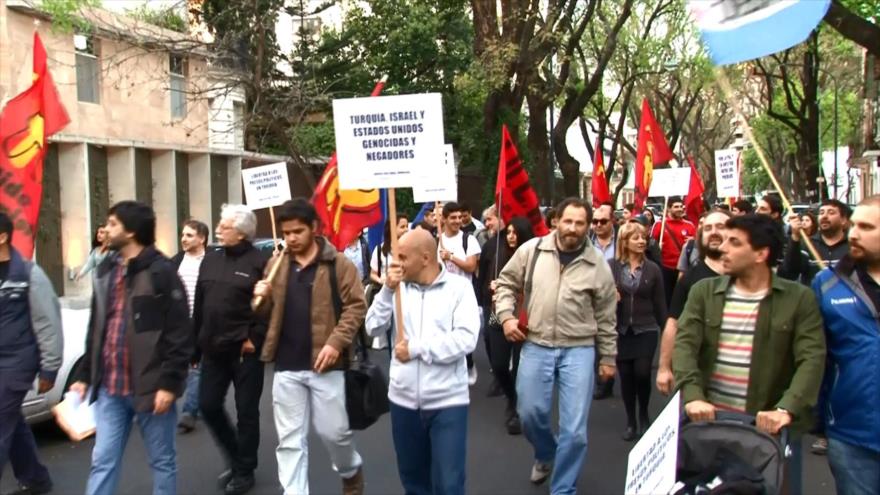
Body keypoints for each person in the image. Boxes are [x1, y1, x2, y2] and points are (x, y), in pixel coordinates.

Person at [673, 214, 826, 494]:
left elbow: (812, 358)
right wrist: (693, 396)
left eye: (734, 242)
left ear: (761, 253)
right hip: (708, 427)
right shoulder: (703, 292)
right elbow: (684, 347)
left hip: (769, 433)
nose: (723, 248)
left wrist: (785, 409)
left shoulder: (798, 298)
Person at [494, 197, 617, 494]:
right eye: (568, 221)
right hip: (536, 343)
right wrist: (506, 318)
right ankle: (547, 453)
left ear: (587, 227)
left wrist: (608, 357)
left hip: (579, 348)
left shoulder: (597, 263)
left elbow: (606, 313)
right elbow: (506, 284)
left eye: (579, 223)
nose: (573, 228)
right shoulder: (531, 250)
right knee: (529, 414)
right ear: (556, 221)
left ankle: (563, 488)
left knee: (574, 432)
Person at [70, 201, 192, 495]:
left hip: (150, 388)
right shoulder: (106, 270)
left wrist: (169, 383)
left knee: (162, 461)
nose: (105, 229)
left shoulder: (161, 272)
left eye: (112, 224)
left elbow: (179, 333)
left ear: (132, 230)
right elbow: (97, 327)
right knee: (102, 460)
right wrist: (86, 375)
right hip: (110, 388)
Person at [253, 199, 366, 495]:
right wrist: (261, 296)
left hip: (326, 366)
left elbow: (356, 306)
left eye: (297, 231)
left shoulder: (337, 264)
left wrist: (335, 343)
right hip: (286, 366)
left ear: (314, 229)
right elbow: (264, 314)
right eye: (286, 232)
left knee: (335, 434)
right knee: (289, 441)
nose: (291, 238)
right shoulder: (275, 265)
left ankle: (350, 470)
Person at [365, 228, 480, 495]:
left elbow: (465, 340)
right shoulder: (395, 289)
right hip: (403, 400)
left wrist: (417, 348)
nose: (397, 264)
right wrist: (386, 291)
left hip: (447, 400)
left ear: (426, 258)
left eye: (403, 257)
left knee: (449, 484)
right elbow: (371, 327)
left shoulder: (459, 288)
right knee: (414, 482)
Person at [194, 204, 269, 495]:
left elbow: (271, 309)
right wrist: (194, 346)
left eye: (224, 227)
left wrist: (256, 337)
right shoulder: (210, 260)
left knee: (247, 412)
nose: (218, 230)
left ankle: (244, 470)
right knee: (208, 405)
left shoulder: (260, 262)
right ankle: (238, 455)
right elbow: (200, 305)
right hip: (213, 349)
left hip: (245, 350)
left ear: (241, 233)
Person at [812, 195, 880, 495]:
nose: (853, 233)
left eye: (866, 227)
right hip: (852, 433)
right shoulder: (826, 284)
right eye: (852, 225)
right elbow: (813, 355)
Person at [0, 213, 62, 495]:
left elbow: (48, 322)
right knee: (12, 422)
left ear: (2, 237)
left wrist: (50, 368)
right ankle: (36, 479)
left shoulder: (28, 274)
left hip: (16, 362)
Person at [656, 209, 730, 395]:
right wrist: (664, 368)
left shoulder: (747, 275)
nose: (713, 232)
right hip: (698, 377)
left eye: (721, 227)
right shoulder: (690, 280)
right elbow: (673, 323)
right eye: (708, 228)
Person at [609, 222, 666, 441]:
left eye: (643, 237)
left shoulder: (652, 269)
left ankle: (644, 413)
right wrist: (609, 296)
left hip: (646, 328)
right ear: (624, 241)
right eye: (636, 238)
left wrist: (667, 330)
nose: (642, 241)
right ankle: (631, 420)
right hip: (621, 330)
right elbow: (597, 299)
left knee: (642, 372)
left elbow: (660, 304)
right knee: (626, 376)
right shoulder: (611, 266)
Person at [482, 217, 534, 434]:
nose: (511, 236)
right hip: (499, 316)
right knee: (500, 364)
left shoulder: (533, 258)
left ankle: (517, 409)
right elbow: (487, 282)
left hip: (524, 316)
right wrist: (492, 286)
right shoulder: (498, 255)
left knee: (520, 367)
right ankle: (512, 398)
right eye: (509, 232)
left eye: (515, 232)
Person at [171, 219, 209, 434]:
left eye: (189, 235)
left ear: (202, 238)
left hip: (203, 322)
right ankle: (200, 404)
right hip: (179, 323)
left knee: (196, 366)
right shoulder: (175, 262)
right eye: (183, 235)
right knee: (185, 366)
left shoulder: (212, 261)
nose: (184, 239)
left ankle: (189, 412)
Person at [437, 202, 481, 385]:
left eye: (459, 217)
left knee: (464, 333)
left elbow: (471, 266)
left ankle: (469, 364)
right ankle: (449, 369)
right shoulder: (436, 240)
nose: (457, 221)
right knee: (445, 333)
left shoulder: (468, 240)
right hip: (442, 295)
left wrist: (451, 257)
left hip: (464, 295)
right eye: (453, 218)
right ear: (444, 219)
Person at [780, 199, 851, 285]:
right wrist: (795, 237)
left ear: (843, 220)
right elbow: (789, 274)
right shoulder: (807, 244)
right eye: (821, 213)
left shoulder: (853, 246)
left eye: (831, 212)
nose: (824, 216)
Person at [369, 214, 409, 350]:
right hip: (387, 297)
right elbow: (373, 273)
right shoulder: (380, 250)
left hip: (407, 299)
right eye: (402, 226)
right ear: (392, 229)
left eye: (407, 226)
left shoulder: (411, 250)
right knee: (391, 337)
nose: (406, 230)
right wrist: (382, 280)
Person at [590, 202, 618, 401]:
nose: (598, 225)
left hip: (620, 300)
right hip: (592, 300)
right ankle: (601, 382)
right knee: (594, 340)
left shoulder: (622, 242)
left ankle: (612, 372)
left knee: (612, 337)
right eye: (594, 222)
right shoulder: (586, 244)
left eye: (603, 221)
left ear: (612, 221)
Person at [651, 197, 696, 305]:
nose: (680, 209)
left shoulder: (689, 226)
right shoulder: (659, 226)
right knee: (666, 299)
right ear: (668, 209)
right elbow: (650, 246)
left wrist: (693, 241)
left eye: (681, 206)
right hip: (665, 269)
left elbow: (697, 248)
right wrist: (657, 246)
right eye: (676, 207)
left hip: (683, 270)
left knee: (682, 299)